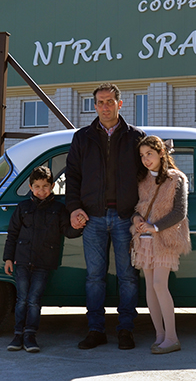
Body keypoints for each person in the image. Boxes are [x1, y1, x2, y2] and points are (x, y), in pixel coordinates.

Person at [66, 83, 146, 350]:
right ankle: (96, 330)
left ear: (120, 104)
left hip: (126, 217)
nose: (105, 107)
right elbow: (73, 177)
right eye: (100, 102)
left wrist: (140, 212)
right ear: (95, 105)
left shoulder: (136, 137)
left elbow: (145, 177)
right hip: (93, 218)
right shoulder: (82, 137)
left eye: (110, 101)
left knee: (127, 276)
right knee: (94, 277)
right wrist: (74, 207)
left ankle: (126, 329)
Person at [3, 165, 82, 353]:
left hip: (43, 263)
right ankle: (17, 335)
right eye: (37, 186)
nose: (41, 190)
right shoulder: (23, 208)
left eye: (45, 186)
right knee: (21, 299)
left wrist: (79, 225)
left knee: (34, 300)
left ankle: (30, 335)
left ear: (53, 186)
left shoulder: (58, 209)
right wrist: (8, 258)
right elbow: (12, 234)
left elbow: (68, 231)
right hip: (21, 262)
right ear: (30, 187)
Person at [131, 135, 191, 354]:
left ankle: (172, 337)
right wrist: (137, 220)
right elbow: (138, 208)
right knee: (149, 287)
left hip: (164, 239)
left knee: (159, 284)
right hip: (144, 240)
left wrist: (154, 227)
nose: (146, 159)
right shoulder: (142, 180)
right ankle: (159, 335)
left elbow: (179, 212)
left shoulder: (177, 178)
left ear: (161, 153)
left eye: (150, 154)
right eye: (142, 155)